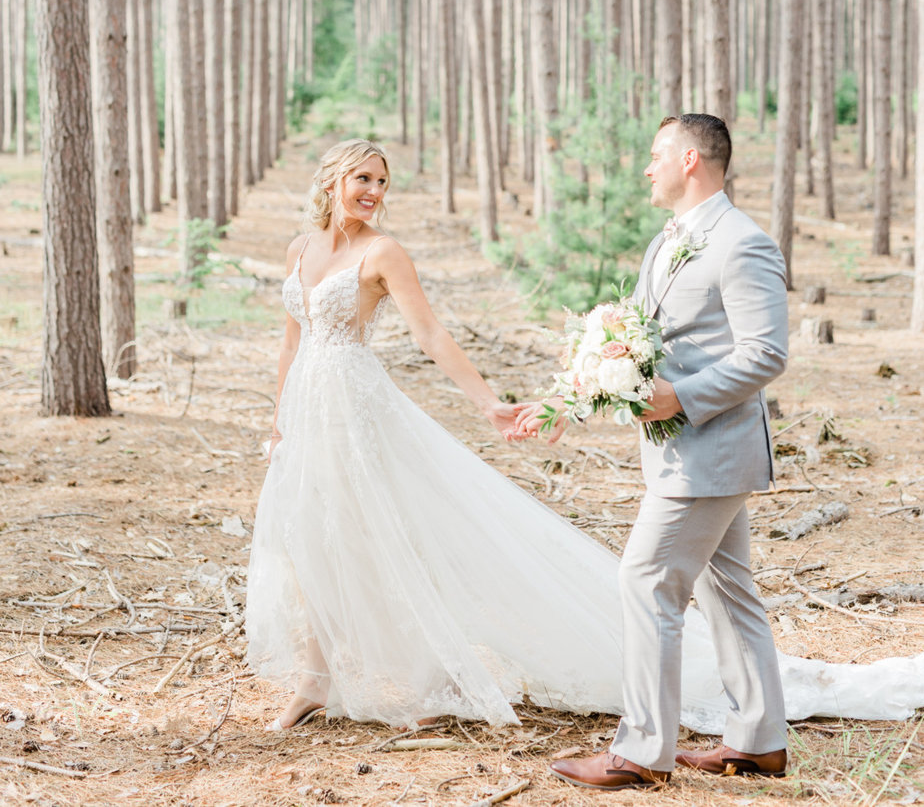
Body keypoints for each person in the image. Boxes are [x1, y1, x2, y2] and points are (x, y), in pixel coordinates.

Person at [245, 133, 924, 742]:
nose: (373, 192)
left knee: (389, 535)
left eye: (382, 181)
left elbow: (432, 336)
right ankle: (314, 676)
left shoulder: (384, 252)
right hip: (308, 408)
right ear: (332, 180)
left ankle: (461, 687)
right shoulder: (300, 249)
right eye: (363, 179)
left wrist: (490, 406)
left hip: (361, 406)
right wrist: (279, 418)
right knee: (310, 535)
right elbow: (291, 340)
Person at [525, 113, 790, 791]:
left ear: (692, 160)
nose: (647, 167)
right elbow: (633, 342)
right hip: (686, 455)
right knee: (727, 589)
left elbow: (766, 353)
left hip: (713, 447)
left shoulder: (741, 243)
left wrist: (684, 399)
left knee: (645, 580)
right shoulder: (667, 239)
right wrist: (564, 403)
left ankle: (642, 751)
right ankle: (758, 740)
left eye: (656, 154)